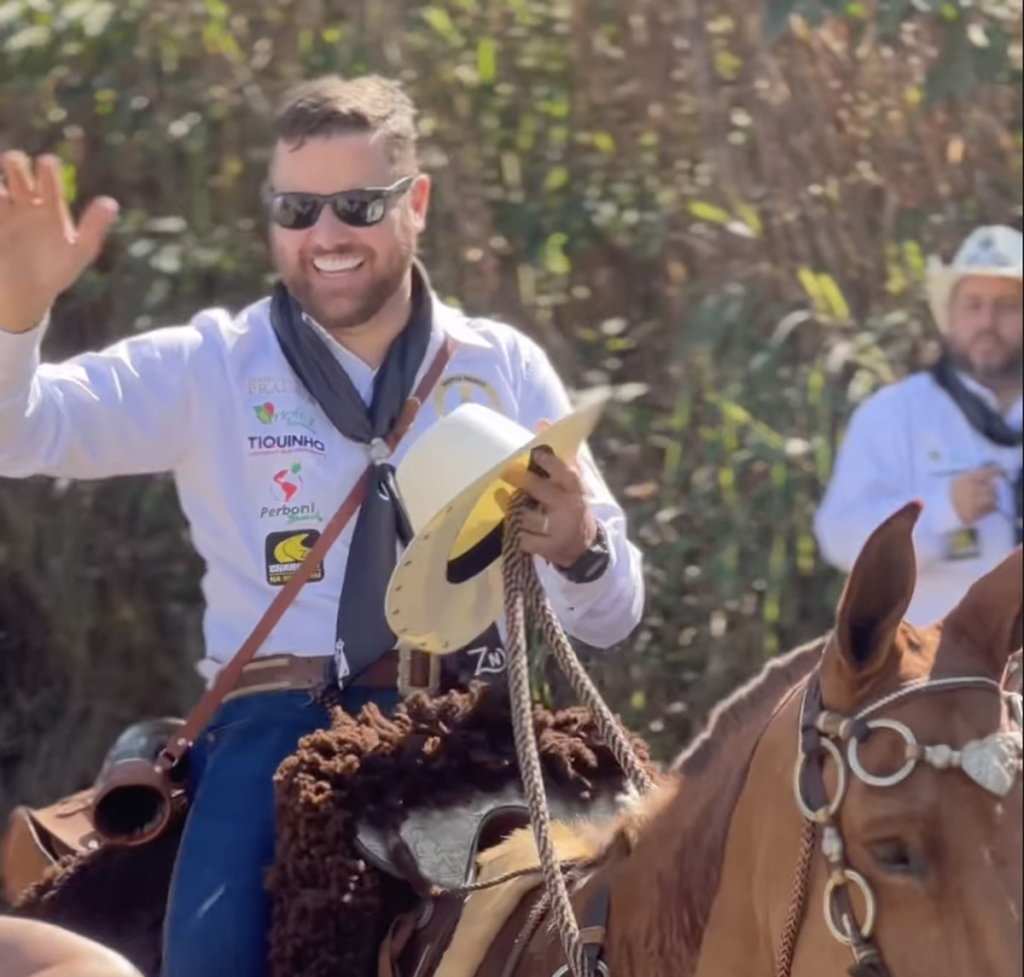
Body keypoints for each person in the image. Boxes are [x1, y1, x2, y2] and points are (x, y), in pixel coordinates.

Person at [0, 74, 645, 977]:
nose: (326, 235)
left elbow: (611, 617)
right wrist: (19, 314)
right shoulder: (213, 366)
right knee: (214, 958)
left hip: (470, 724)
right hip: (272, 732)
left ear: (414, 203)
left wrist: (578, 546)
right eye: (297, 209)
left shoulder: (500, 365)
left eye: (357, 204)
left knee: (647, 917)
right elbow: (21, 431)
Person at [814, 224, 1022, 626]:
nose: (988, 322)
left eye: (1007, 306)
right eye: (973, 305)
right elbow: (839, 539)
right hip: (935, 677)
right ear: (949, 317)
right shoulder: (895, 414)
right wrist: (944, 510)